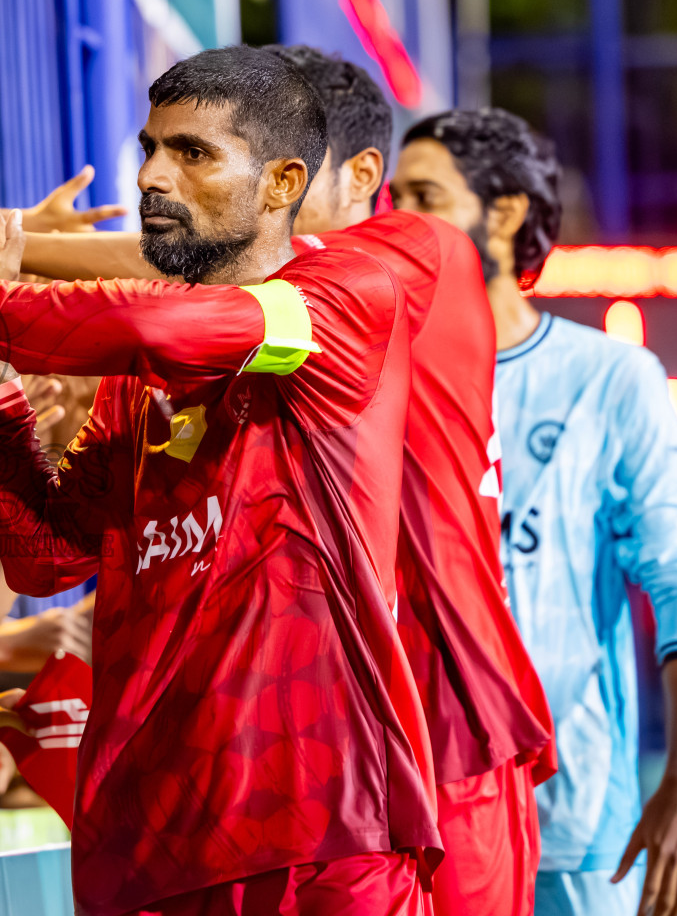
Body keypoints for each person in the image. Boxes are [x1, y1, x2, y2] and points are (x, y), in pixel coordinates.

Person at [0, 46, 440, 915]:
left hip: (320, 832)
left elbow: (180, 329)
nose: (155, 174)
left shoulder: (346, 296)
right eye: (151, 147)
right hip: (145, 844)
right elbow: (46, 560)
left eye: (193, 153)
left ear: (282, 184)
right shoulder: (136, 380)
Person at [391, 107, 677, 916]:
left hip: (574, 823)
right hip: (409, 817)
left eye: (423, 198)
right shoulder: (378, 377)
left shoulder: (612, 379)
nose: (397, 224)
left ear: (502, 214)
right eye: (392, 200)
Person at [270, 45, 555, 916]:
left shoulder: (412, 255)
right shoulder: (310, 310)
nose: (406, 209)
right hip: (347, 735)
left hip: (454, 720)